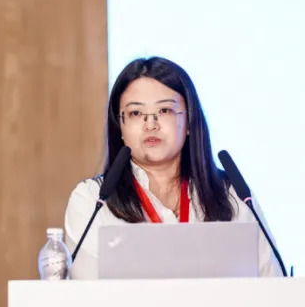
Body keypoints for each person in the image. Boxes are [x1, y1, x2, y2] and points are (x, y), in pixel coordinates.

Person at [64, 56, 283, 279]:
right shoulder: (92, 200)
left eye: (165, 111)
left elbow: (272, 281)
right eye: (136, 113)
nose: (151, 124)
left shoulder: (234, 195)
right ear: (120, 126)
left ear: (189, 122)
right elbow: (87, 292)